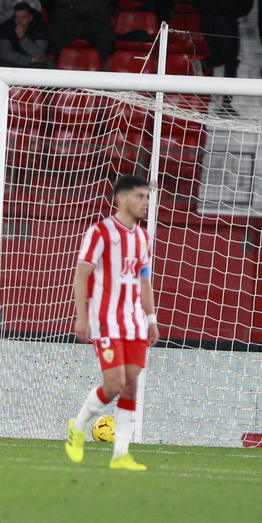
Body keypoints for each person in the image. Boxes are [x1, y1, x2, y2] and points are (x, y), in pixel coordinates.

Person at [64, 173, 156, 472]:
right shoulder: (100, 232)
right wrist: (81, 316)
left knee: (130, 388)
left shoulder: (143, 237)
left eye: (147, 196)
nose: (145, 202)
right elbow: (82, 275)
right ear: (121, 199)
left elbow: (144, 280)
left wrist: (151, 318)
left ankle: (120, 455)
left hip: (135, 323)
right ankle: (77, 428)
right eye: (139, 196)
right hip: (105, 320)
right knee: (114, 384)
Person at [0, 0, 50, 66]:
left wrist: (22, 38)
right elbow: (5, 53)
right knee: (3, 64)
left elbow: (40, 55)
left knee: (39, 65)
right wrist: (29, 60)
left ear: (30, 18)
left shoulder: (40, 27)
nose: (19, 21)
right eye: (17, 17)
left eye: (23, 17)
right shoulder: (7, 26)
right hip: (16, 61)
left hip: (34, 62)